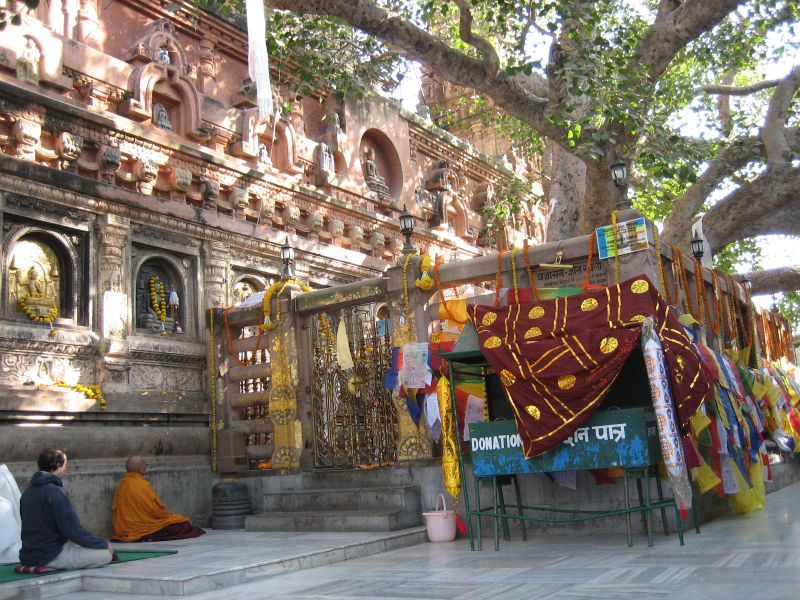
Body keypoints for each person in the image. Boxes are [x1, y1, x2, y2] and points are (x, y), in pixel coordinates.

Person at [19, 449, 113, 569]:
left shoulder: (27, 492)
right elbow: (72, 530)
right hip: (50, 555)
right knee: (105, 555)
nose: (66, 469)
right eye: (65, 465)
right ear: (58, 465)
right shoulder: (55, 492)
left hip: (28, 555)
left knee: (80, 549)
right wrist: (103, 544)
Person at [112, 456, 205, 542]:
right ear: (141, 469)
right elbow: (157, 511)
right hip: (143, 528)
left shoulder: (121, 486)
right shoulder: (143, 485)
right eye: (145, 465)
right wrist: (169, 515)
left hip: (124, 529)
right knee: (182, 523)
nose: (146, 467)